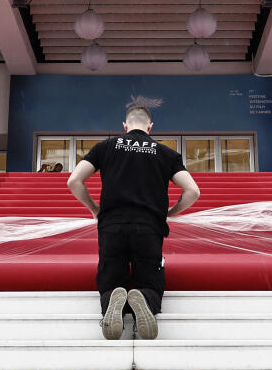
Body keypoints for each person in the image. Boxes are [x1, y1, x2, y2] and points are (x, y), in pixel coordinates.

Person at [67, 106, 201, 340]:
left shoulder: (106, 146)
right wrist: (170, 212)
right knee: (150, 278)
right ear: (150, 127)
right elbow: (193, 191)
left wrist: (94, 209)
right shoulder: (165, 153)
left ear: (125, 126)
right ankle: (145, 299)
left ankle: (113, 298)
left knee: (110, 276)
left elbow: (74, 180)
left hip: (112, 224)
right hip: (148, 225)